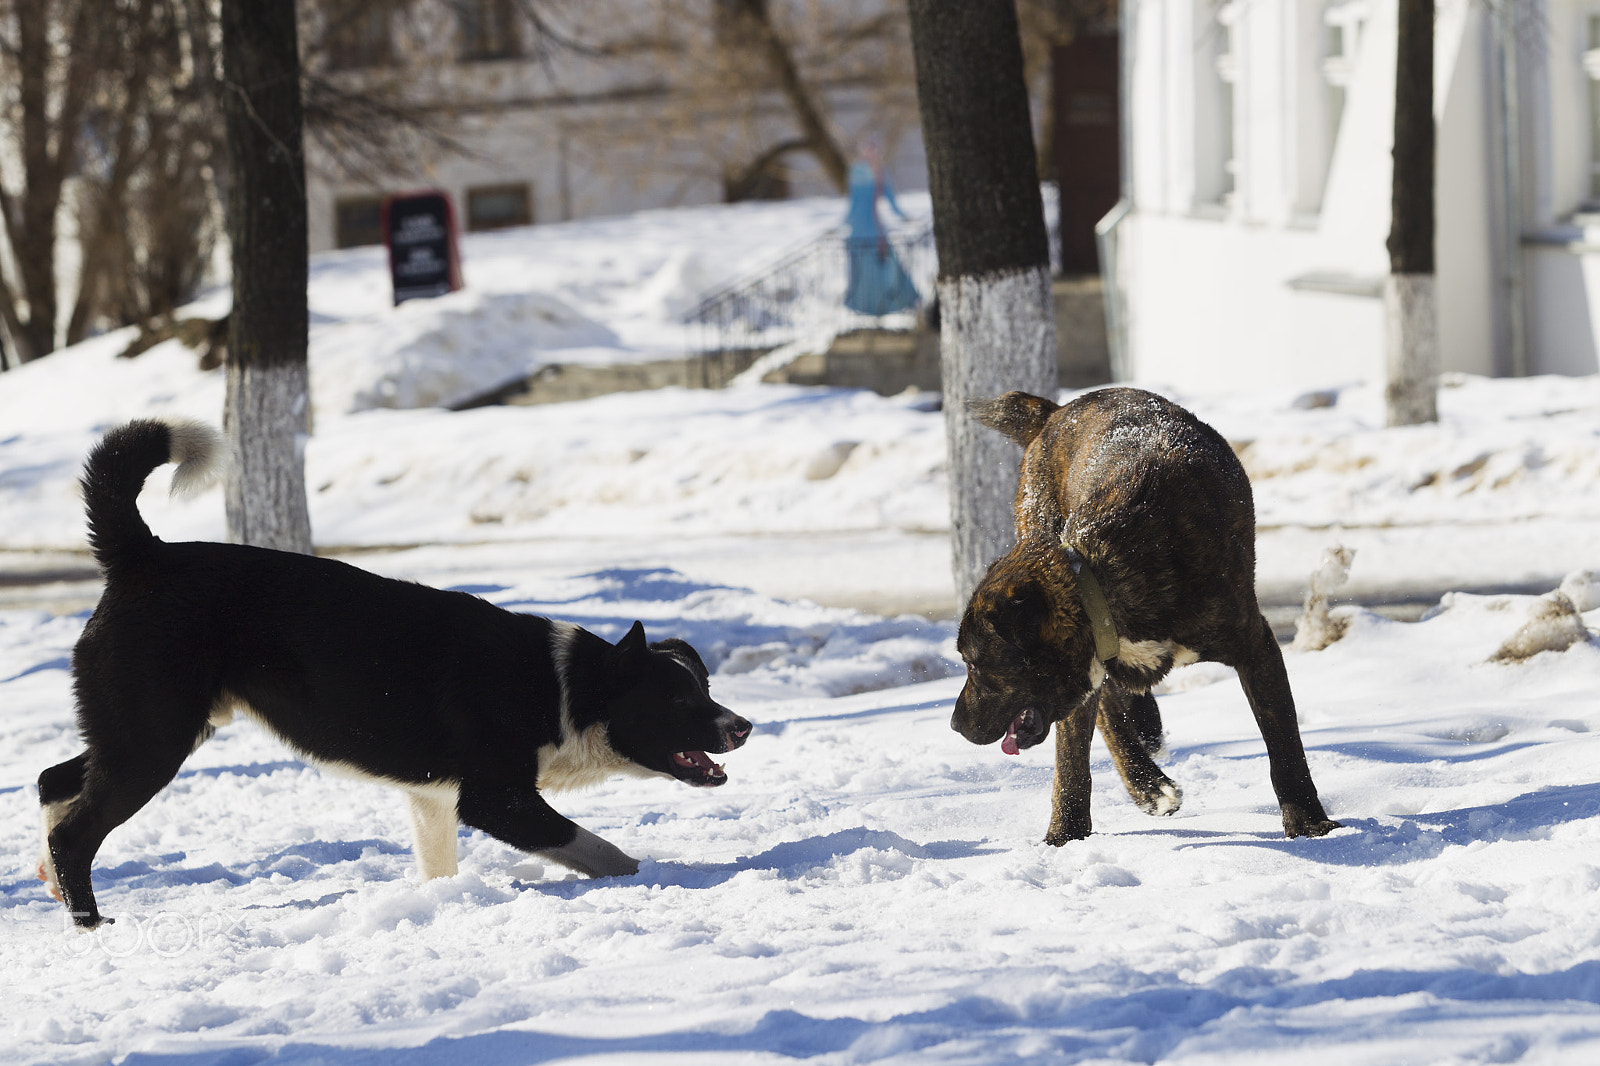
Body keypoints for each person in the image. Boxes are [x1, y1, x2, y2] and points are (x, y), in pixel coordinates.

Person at [843, 137, 920, 316]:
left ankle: (886, 306)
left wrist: (905, 217)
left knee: (883, 264)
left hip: (873, 227)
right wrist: (844, 223)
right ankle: (866, 307)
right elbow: (853, 202)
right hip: (861, 227)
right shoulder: (856, 171)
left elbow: (890, 200)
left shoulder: (879, 172)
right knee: (864, 268)